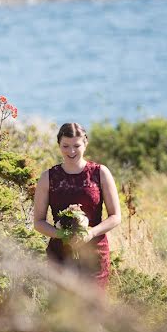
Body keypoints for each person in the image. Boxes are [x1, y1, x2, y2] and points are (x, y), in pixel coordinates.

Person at [33, 122, 121, 288]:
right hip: (60, 256)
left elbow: (116, 216)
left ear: (85, 143)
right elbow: (38, 222)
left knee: (92, 310)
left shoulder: (100, 173)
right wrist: (63, 235)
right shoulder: (47, 177)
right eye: (65, 146)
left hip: (95, 255)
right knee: (63, 311)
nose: (71, 151)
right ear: (59, 144)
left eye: (76, 145)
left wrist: (90, 233)